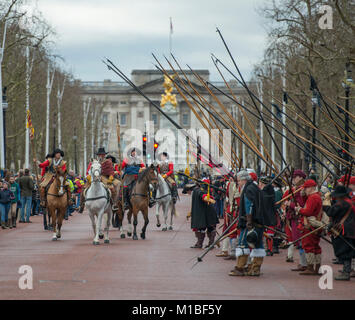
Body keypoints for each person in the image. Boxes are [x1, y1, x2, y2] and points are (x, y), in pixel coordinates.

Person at [229, 170, 265, 277]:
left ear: (244, 180)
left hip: (250, 222)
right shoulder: (255, 188)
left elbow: (249, 205)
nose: (238, 183)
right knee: (258, 245)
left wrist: (248, 221)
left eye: (239, 181)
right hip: (258, 221)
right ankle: (255, 268)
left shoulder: (248, 189)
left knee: (242, 244)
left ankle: (240, 268)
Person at [325, 185, 355, 280]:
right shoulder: (348, 202)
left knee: (345, 251)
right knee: (348, 250)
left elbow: (331, 212)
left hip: (344, 230)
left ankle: (346, 273)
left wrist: (325, 206)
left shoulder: (342, 204)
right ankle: (346, 270)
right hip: (349, 229)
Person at [295, 179, 323, 275]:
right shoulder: (316, 196)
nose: (305, 190)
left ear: (311, 188)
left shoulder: (313, 197)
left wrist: (298, 209)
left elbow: (308, 212)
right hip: (314, 225)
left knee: (309, 245)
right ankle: (317, 267)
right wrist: (303, 196)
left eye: (306, 188)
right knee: (315, 246)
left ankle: (310, 267)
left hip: (310, 225)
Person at [282, 169, 307, 271]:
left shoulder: (302, 190)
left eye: (295, 177)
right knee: (298, 241)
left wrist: (290, 204)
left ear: (300, 177)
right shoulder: (295, 188)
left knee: (302, 242)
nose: (293, 179)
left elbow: (301, 205)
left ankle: (304, 263)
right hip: (293, 217)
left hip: (299, 218)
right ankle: (303, 263)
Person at [185, 179, 218, 249]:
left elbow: (202, 195)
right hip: (203, 213)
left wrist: (206, 198)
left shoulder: (197, 191)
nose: (188, 193)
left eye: (187, 192)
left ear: (189, 190)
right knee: (200, 228)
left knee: (210, 228)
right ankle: (199, 243)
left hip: (209, 212)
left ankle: (211, 244)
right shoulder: (196, 192)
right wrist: (190, 213)